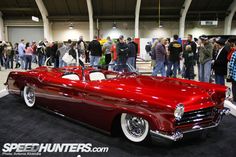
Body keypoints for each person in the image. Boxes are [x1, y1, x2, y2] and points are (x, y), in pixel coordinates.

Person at [228, 37, 236, 102]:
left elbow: (231, 65)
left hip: (234, 75)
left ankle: (234, 98)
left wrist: (230, 74)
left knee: (234, 86)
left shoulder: (234, 53)